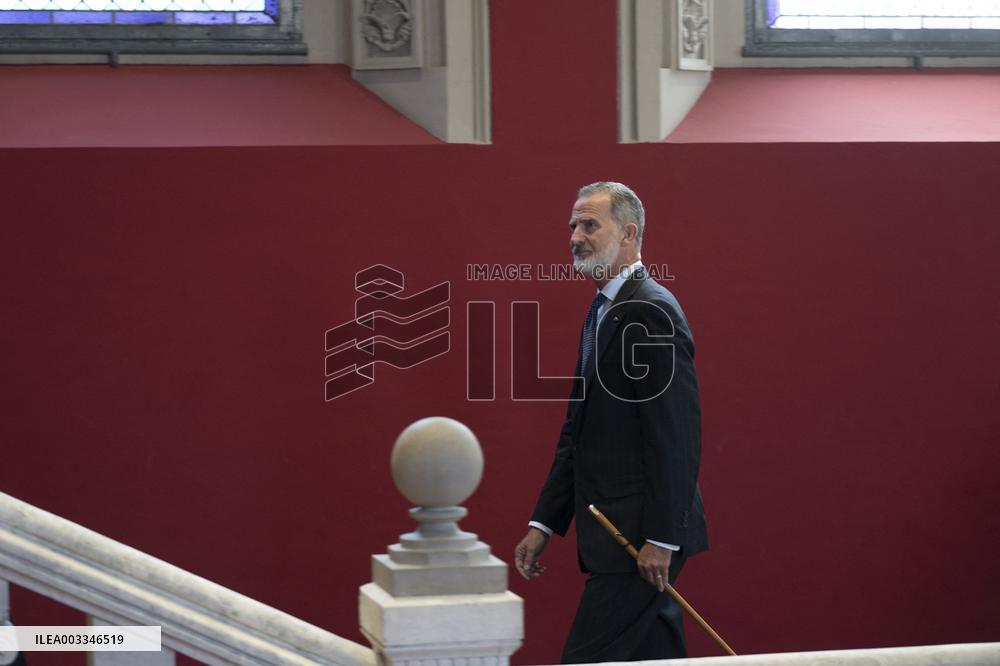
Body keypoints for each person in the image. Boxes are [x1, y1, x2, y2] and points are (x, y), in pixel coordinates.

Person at [514, 182, 708, 663]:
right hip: (618, 536)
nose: (574, 237)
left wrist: (662, 539)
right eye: (572, 226)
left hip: (638, 541)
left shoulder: (650, 311)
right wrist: (545, 521)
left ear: (628, 233)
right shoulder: (603, 309)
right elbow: (577, 432)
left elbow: (675, 436)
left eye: (588, 224)